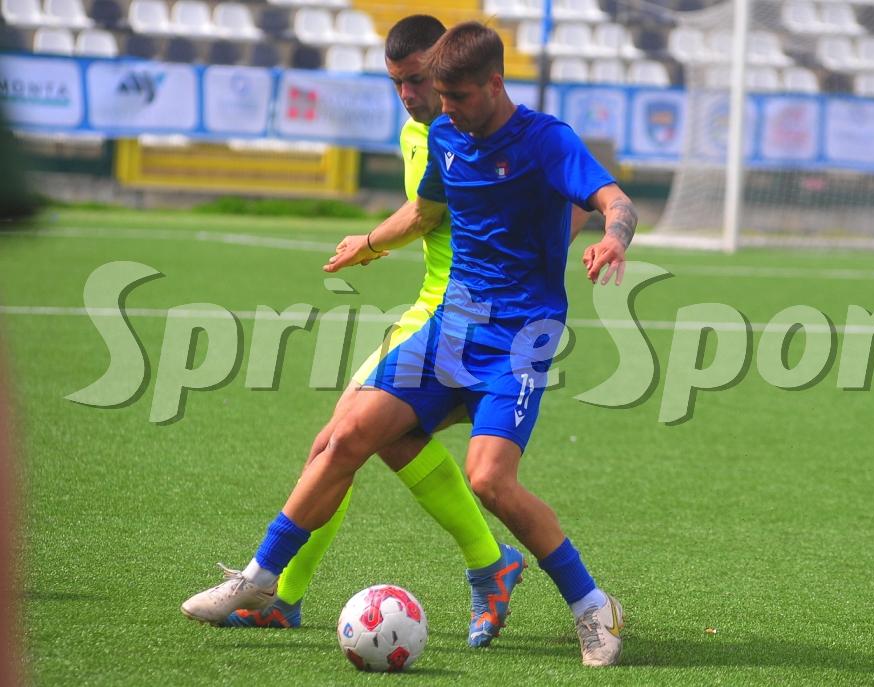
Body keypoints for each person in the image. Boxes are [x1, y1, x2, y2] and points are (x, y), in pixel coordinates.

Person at [182, 21, 636, 667]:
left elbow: (614, 200)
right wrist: (369, 244)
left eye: (457, 96)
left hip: (519, 338)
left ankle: (592, 605)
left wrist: (613, 235)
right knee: (347, 436)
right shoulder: (444, 135)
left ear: (495, 84)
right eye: (439, 95)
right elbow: (426, 212)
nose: (445, 109)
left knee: (489, 480)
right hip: (448, 328)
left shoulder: (546, 139)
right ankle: (260, 580)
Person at [218, 15, 524, 648]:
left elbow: (424, 214)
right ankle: (486, 563)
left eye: (418, 80)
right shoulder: (420, 129)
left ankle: (282, 594)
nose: (409, 95)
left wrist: (369, 241)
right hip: (432, 310)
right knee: (362, 440)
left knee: (340, 441)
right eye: (397, 83)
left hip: (459, 317)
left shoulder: (474, 130)